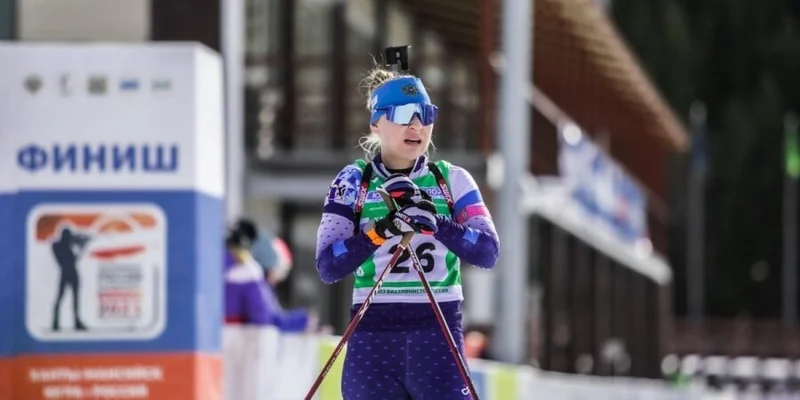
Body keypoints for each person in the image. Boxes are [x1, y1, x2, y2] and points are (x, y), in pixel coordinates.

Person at [314, 63, 500, 399]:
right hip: (373, 338)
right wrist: (379, 232)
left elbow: (488, 252)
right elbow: (328, 265)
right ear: (376, 122)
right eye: (403, 114)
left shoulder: (451, 180)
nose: (417, 126)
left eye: (426, 114)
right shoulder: (353, 181)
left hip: (437, 335)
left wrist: (439, 224)